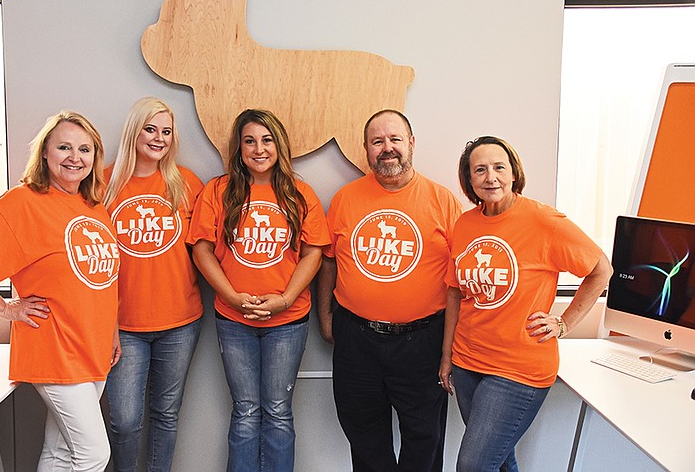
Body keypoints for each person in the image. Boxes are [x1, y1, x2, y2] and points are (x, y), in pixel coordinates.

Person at [0, 111, 120, 471]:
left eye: (84, 149)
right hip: (55, 347)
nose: (75, 157)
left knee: (60, 453)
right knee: (93, 454)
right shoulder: (23, 201)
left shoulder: (94, 207)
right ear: (45, 153)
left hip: (93, 347)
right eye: (64, 147)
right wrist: (6, 308)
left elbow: (100, 279)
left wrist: (112, 331)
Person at [439, 136, 612, 472]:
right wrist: (447, 357)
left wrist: (564, 323)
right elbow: (455, 292)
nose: (491, 177)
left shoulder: (543, 220)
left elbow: (600, 270)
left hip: (518, 370)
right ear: (469, 180)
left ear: (514, 173)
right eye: (480, 170)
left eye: (499, 167)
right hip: (467, 363)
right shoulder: (465, 224)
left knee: (473, 465)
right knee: (500, 459)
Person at [316, 109, 463, 472]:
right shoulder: (346, 199)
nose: (387, 148)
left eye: (395, 139)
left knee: (425, 437)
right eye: (377, 141)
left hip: (422, 341)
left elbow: (460, 279)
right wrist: (324, 316)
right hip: (356, 339)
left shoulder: (442, 201)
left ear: (411, 143)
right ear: (366, 149)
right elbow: (329, 262)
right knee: (363, 434)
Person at [188, 108, 330, 472]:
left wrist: (284, 299)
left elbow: (313, 252)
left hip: (288, 321)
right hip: (233, 319)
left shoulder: (300, 193)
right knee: (246, 411)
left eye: (266, 140)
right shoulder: (217, 191)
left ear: (279, 144)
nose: (258, 149)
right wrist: (233, 297)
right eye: (249, 141)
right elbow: (202, 249)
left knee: (279, 412)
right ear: (238, 148)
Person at [103, 97, 204, 472]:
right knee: (125, 420)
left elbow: (208, 248)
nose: (158, 138)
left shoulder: (186, 183)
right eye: (150, 129)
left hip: (180, 322)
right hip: (123, 326)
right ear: (134, 130)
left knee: (166, 414)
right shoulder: (103, 183)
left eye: (166, 131)